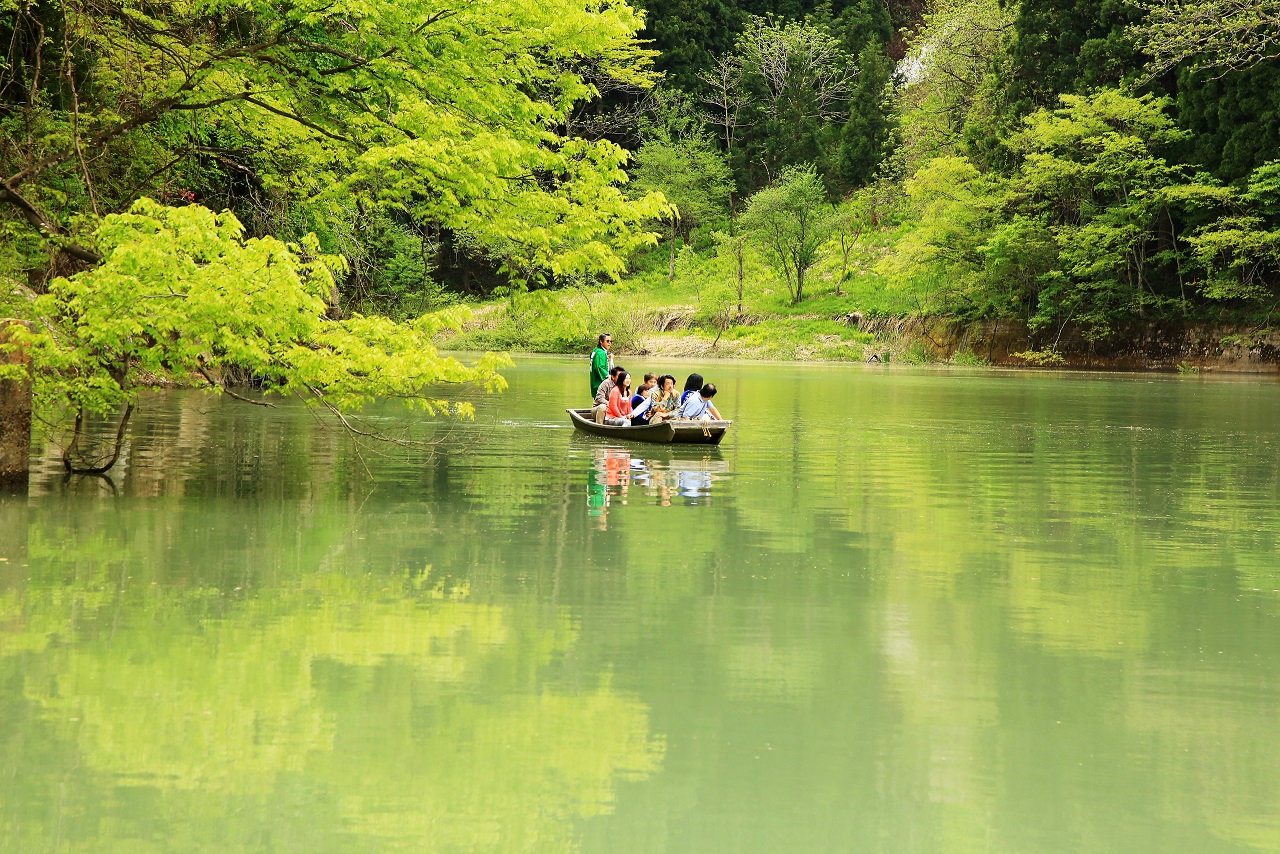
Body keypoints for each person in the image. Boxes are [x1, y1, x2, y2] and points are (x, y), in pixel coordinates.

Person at [590, 333, 613, 399]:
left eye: (611, 341)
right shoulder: (601, 353)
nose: (609, 343)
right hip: (599, 383)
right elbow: (599, 367)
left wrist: (606, 359)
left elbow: (596, 363)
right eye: (607, 341)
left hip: (594, 381)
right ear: (601, 341)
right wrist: (608, 376)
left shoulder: (596, 350)